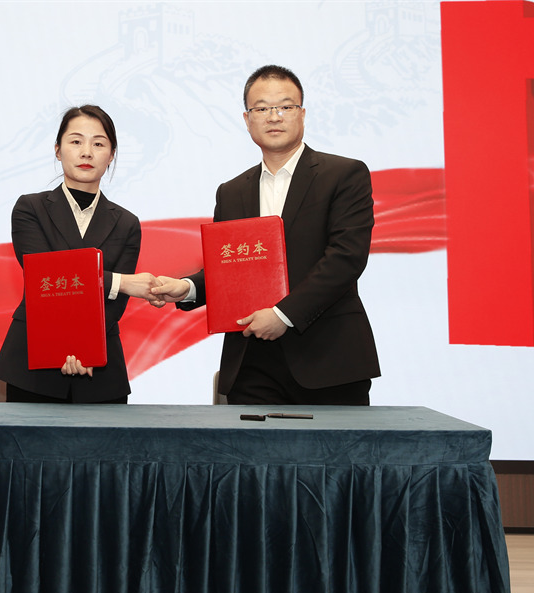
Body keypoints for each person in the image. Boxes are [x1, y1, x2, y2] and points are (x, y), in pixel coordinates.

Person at [151, 65, 381, 405]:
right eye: (261, 109)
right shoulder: (231, 192)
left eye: (285, 106)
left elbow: (345, 259)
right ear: (247, 120)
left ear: (302, 114)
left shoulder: (344, 175)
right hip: (252, 363)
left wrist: (283, 315)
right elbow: (229, 269)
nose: (274, 116)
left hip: (329, 359)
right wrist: (187, 288)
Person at [0, 104, 159, 403]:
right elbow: (45, 274)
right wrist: (121, 282)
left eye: (98, 144)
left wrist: (85, 349)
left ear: (112, 155)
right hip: (33, 365)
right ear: (58, 150)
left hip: (99, 369)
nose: (86, 152)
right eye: (76, 141)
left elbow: (114, 307)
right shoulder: (30, 208)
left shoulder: (127, 223)